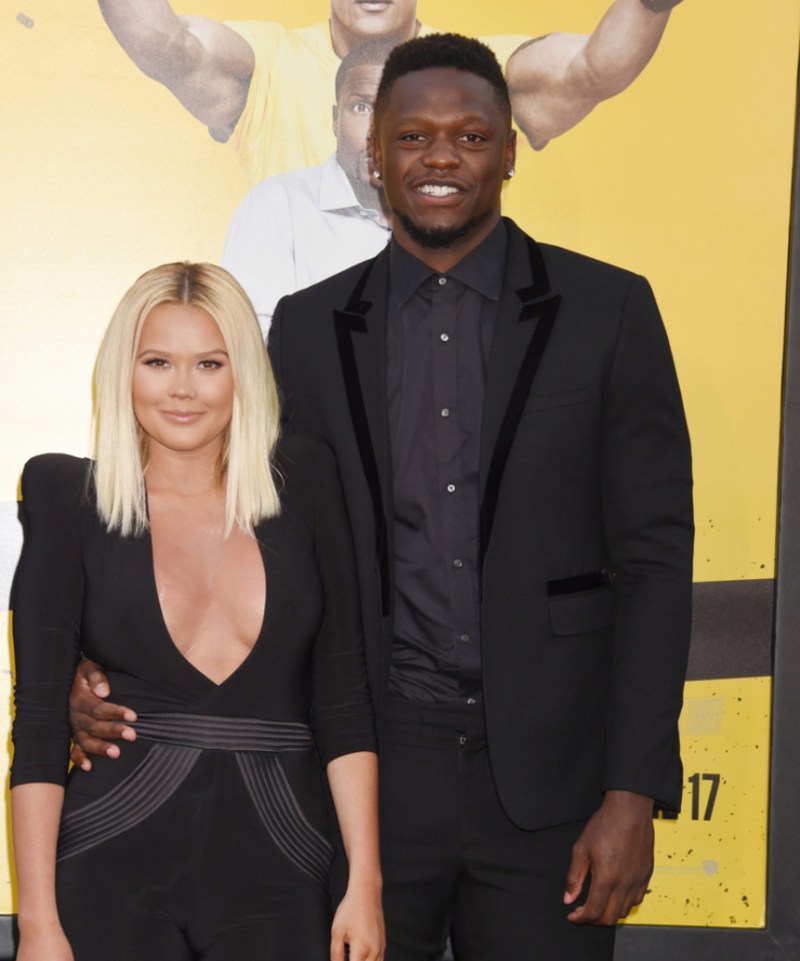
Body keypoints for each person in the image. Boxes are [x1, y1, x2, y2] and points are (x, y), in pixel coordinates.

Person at [69, 34, 694, 960]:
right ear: (374, 153)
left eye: (471, 135)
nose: (440, 156)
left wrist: (632, 792)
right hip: (360, 778)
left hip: (551, 791)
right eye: (412, 135)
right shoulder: (311, 329)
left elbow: (653, 561)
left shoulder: (609, 312)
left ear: (512, 149)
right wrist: (92, 665)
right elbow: (225, 517)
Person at [10, 263, 384, 961]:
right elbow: (35, 723)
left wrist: (365, 882)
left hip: (284, 868)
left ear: (242, 374)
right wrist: (38, 925)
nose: (182, 387)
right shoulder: (68, 497)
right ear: (125, 372)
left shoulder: (305, 485)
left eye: (209, 363)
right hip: (108, 867)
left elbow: (344, 699)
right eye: (157, 362)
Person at [97, 0, 685, 186]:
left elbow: (592, 70)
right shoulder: (270, 61)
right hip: (295, 371)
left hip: (435, 357)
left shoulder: (476, 68)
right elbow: (168, 44)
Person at [221, 40, 394, 336]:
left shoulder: (453, 219)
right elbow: (252, 346)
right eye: (361, 107)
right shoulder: (276, 206)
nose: (377, 129)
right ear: (335, 120)